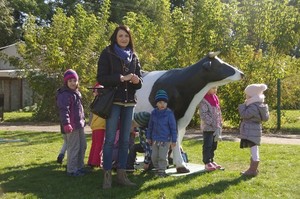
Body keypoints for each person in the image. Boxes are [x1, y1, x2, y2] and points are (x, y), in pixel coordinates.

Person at [97, 25, 142, 189]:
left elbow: (140, 83)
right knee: (109, 140)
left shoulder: (134, 56)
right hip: (114, 101)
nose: (124, 39)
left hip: (129, 102)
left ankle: (121, 175)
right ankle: (107, 175)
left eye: (127, 36)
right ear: (115, 37)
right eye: (121, 36)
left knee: (125, 140)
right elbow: (101, 78)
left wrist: (137, 81)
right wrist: (121, 78)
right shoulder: (107, 53)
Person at [56, 69, 87, 176]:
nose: (73, 83)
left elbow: (79, 110)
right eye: (70, 81)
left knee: (83, 145)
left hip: (79, 125)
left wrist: (83, 120)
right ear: (66, 82)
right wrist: (66, 124)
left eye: (75, 80)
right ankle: (72, 170)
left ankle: (79, 166)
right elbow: (64, 110)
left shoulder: (76, 93)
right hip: (71, 126)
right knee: (74, 147)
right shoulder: (64, 94)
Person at [239, 83, 269, 176]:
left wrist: (242, 106)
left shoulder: (253, 106)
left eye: (247, 95)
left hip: (251, 130)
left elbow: (245, 115)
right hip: (254, 130)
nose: (246, 96)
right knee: (254, 148)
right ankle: (253, 169)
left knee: (254, 149)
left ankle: (252, 170)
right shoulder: (259, 105)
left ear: (252, 95)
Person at [146, 90, 177, 177]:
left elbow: (173, 128)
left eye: (164, 102)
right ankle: (157, 168)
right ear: (156, 104)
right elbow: (150, 126)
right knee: (154, 156)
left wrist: (174, 140)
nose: (162, 104)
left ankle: (162, 170)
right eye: (160, 102)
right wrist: (148, 137)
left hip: (165, 139)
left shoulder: (169, 114)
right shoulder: (154, 113)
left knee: (162, 156)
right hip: (155, 139)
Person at [199, 86, 223, 171]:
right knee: (208, 145)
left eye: (216, 88)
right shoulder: (204, 100)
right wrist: (213, 123)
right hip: (208, 128)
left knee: (214, 145)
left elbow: (218, 112)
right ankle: (207, 162)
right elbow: (204, 114)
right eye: (213, 88)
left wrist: (220, 123)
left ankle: (211, 160)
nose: (215, 90)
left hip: (216, 127)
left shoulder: (215, 98)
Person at [87, 83, 106, 168]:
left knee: (94, 144)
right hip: (100, 126)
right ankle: (96, 162)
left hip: (95, 126)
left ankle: (91, 161)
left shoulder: (96, 101)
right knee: (99, 144)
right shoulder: (102, 102)